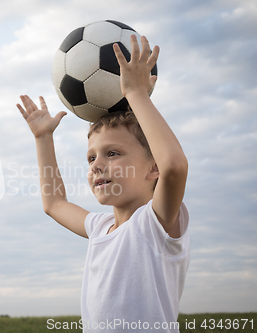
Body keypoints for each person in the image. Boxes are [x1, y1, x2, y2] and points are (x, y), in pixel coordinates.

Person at [16, 35, 189, 332]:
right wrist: (43, 138)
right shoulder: (99, 228)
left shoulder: (155, 223)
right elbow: (54, 204)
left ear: (153, 168)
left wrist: (136, 94)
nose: (96, 164)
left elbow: (175, 166)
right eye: (90, 158)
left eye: (112, 153)